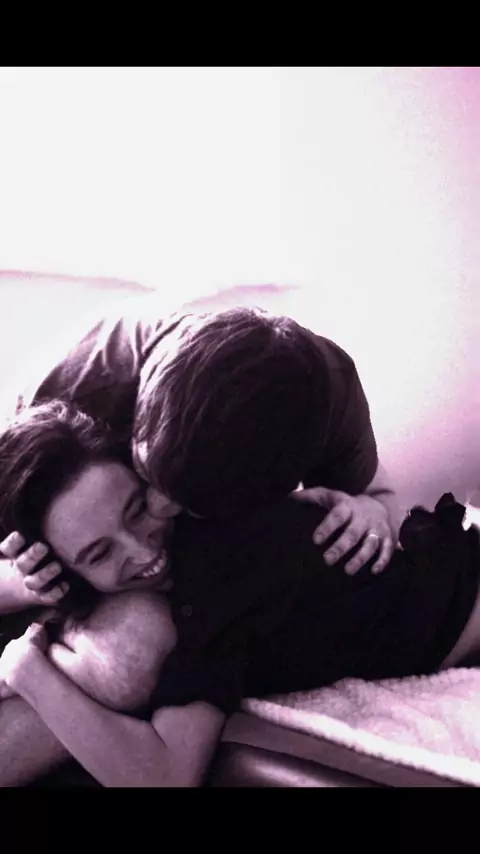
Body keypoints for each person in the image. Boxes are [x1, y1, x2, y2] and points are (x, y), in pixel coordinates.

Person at [0, 401, 479, 787]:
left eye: (136, 509)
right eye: (100, 553)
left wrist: (27, 671)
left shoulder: (212, 583)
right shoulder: (194, 538)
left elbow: (164, 777)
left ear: (151, 479)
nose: (142, 550)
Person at [10, 290, 402, 576]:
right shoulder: (62, 395)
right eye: (144, 472)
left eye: (191, 504)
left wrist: (370, 513)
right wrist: (22, 582)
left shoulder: (331, 394)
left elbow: (378, 498)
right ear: (141, 411)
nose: (156, 508)